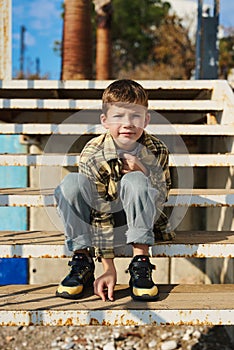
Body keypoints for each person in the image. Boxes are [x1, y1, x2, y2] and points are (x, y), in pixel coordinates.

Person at [54, 79, 174, 302]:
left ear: (146, 120)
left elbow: (162, 197)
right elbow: (98, 210)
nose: (127, 124)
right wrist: (107, 267)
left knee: (137, 181)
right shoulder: (93, 151)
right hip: (96, 221)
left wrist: (146, 173)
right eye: (118, 116)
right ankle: (82, 260)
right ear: (105, 121)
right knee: (71, 184)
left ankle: (141, 262)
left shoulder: (157, 149)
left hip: (141, 220)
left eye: (136, 116)